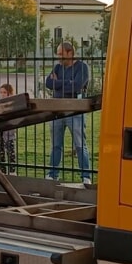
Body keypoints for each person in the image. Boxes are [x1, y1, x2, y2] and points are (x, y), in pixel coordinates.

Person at [44, 41, 92, 186]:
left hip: (74, 108)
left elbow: (77, 86)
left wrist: (59, 84)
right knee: (55, 144)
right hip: (57, 108)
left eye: (60, 54)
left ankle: (85, 176)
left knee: (79, 144)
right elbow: (48, 83)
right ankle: (52, 174)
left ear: (70, 53)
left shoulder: (82, 67)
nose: (58, 57)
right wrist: (67, 83)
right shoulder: (58, 67)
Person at [0, 83, 18, 173]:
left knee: (11, 152)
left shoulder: (13, 105)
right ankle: (3, 172)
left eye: (5, 92)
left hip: (8, 132)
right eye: (1, 92)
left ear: (10, 93)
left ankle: (12, 172)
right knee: (0, 153)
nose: (2, 94)